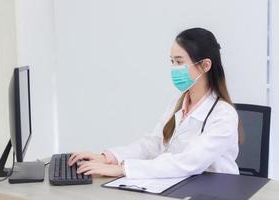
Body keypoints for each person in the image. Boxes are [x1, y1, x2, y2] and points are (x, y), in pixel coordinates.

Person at [68, 27, 240, 179]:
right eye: (172, 61)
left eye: (179, 62)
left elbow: (189, 161)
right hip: (180, 184)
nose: (174, 68)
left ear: (205, 65)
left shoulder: (224, 115)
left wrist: (122, 169)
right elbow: (154, 144)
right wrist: (110, 157)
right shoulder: (178, 103)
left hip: (215, 192)